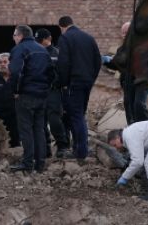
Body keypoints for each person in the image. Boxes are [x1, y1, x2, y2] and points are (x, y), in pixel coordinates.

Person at [56, 15, 101, 160]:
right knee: (79, 114)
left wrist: (63, 83)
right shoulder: (89, 38)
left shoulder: (65, 38)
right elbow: (98, 61)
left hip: (73, 83)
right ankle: (78, 148)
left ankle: (81, 152)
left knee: (76, 116)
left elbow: (63, 63)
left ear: (61, 27)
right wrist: (91, 79)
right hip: (86, 83)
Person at [9, 25, 52, 173]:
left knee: (26, 130)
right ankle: (40, 164)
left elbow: (15, 72)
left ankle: (27, 163)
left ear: (20, 36)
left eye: (14, 35)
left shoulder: (19, 49)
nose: (14, 38)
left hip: (26, 95)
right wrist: (46, 89)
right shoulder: (42, 49)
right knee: (39, 129)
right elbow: (52, 73)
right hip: (42, 96)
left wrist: (14, 90)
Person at [103, 20, 148, 124]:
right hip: (127, 82)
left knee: (139, 104)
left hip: (141, 80)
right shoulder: (122, 49)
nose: (124, 35)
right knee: (128, 105)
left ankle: (147, 126)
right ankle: (132, 127)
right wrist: (107, 61)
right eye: (123, 32)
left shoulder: (141, 46)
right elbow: (118, 65)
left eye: (127, 32)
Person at [35, 28, 71, 158]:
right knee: (41, 120)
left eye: (41, 40)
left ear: (48, 39)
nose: (39, 43)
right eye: (37, 41)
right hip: (40, 91)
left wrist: (56, 83)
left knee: (54, 118)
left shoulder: (57, 53)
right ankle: (46, 149)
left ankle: (62, 146)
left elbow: (63, 73)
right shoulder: (36, 53)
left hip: (53, 91)